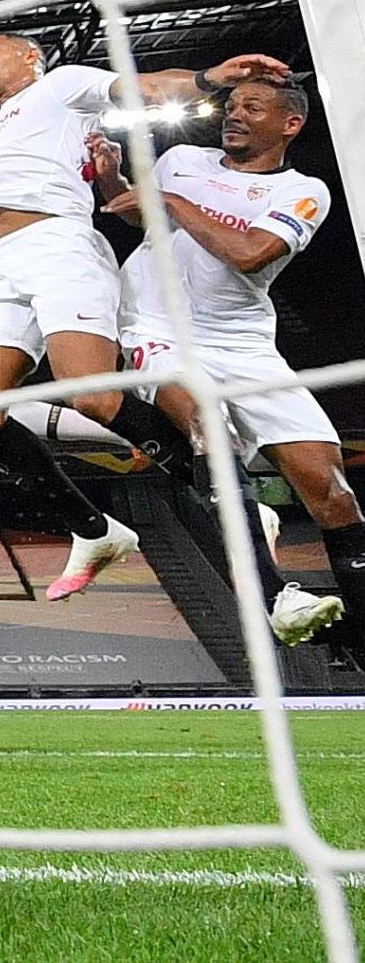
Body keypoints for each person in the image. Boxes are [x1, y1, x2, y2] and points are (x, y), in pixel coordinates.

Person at [0, 34, 290, 600]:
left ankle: (227, 495)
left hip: (60, 248)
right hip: (0, 261)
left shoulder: (61, 83)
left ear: (31, 56)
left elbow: (145, 88)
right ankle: (95, 530)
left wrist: (208, 78)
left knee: (93, 396)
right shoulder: (9, 123)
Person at [90, 76, 363, 645]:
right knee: (204, 427)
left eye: (252, 108)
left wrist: (171, 199)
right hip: (156, 326)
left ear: (290, 124)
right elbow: (148, 219)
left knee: (333, 494)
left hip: (245, 344)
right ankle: (274, 598)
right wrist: (115, 179)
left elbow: (249, 254)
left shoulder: (303, 191)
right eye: (232, 105)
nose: (233, 115)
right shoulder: (184, 158)